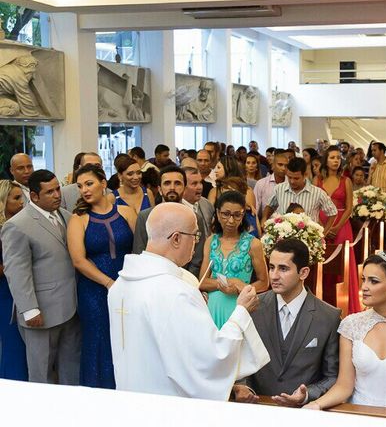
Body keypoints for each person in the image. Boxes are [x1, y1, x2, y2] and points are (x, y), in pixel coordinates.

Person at [108, 202, 269, 400]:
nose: (196, 244)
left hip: (132, 396)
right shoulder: (176, 292)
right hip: (168, 405)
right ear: (176, 238)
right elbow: (210, 359)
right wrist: (241, 311)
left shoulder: (120, 285)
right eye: (195, 236)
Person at [304, 250, 386, 419]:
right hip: (358, 415)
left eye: (373, 281)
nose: (364, 287)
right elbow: (344, 385)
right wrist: (316, 404)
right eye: (364, 279)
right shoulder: (351, 325)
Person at [233, 238, 341, 405]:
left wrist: (306, 395)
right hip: (257, 408)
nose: (274, 276)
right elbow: (239, 360)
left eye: (283, 269)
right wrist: (244, 387)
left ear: (303, 273)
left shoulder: (329, 317)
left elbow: (332, 377)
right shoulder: (253, 307)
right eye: (271, 267)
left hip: (304, 414)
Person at [1, 170, 81, 384]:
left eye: (57, 189)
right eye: (50, 192)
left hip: (71, 307)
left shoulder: (66, 215)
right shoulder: (17, 225)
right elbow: (16, 271)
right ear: (34, 196)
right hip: (41, 312)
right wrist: (29, 309)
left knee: (71, 367)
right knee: (41, 373)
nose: (57, 195)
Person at [67, 165, 136, 388]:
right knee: (98, 342)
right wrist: (108, 283)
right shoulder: (78, 219)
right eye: (80, 186)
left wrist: (128, 283)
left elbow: (138, 251)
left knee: (128, 339)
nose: (84, 190)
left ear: (104, 183)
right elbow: (78, 260)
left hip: (127, 288)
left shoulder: (126, 212)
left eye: (89, 183)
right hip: (94, 292)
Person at [199, 190, 268, 329]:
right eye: (226, 214)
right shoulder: (211, 241)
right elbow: (202, 281)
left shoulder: (253, 244)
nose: (231, 220)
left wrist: (239, 287)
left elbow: (264, 283)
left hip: (239, 307)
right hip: (213, 308)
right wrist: (225, 284)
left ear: (243, 215)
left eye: (237, 215)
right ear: (218, 213)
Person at [314, 146, 360, 312]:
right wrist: (323, 226)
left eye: (338, 158)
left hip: (341, 225)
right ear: (326, 160)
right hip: (321, 223)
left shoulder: (345, 181)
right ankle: (323, 302)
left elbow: (349, 208)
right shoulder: (318, 180)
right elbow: (313, 205)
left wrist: (336, 226)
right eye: (332, 157)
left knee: (342, 265)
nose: (335, 160)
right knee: (322, 262)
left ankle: (344, 304)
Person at [0, 180, 28, 380]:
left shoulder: (24, 224)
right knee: (13, 343)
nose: (21, 202)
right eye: (16, 198)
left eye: (22, 197)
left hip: (23, 289)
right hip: (6, 292)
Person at [262, 157, 337, 228]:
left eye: (296, 178)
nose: (292, 181)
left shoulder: (318, 193)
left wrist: (323, 234)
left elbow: (333, 213)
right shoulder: (279, 189)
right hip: (284, 238)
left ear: (305, 175)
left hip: (308, 239)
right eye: (289, 177)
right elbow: (270, 206)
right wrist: (264, 218)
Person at [132, 166, 187, 252]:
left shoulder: (194, 218)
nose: (172, 187)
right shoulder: (145, 217)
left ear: (185, 189)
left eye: (177, 183)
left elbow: (196, 261)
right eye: (167, 183)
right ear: (160, 189)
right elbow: (138, 252)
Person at [254, 151, 288, 218]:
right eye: (280, 165)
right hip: (266, 223)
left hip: (288, 224)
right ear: (273, 166)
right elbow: (255, 208)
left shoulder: (291, 184)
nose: (283, 168)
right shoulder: (261, 183)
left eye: (286, 166)